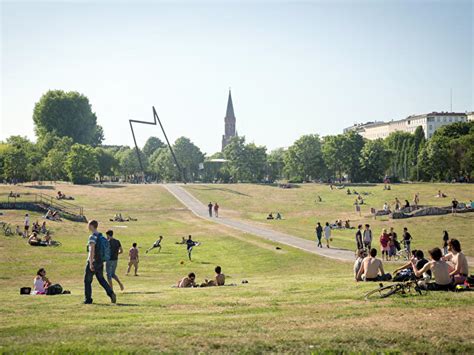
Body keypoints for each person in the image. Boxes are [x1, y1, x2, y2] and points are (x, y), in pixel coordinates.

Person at [84, 220, 116, 304]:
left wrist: (90, 263)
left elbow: (92, 250)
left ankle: (88, 299)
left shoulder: (92, 237)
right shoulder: (101, 236)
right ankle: (111, 293)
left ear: (91, 226)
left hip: (93, 261)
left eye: (88, 225)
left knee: (87, 281)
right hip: (100, 261)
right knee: (101, 279)